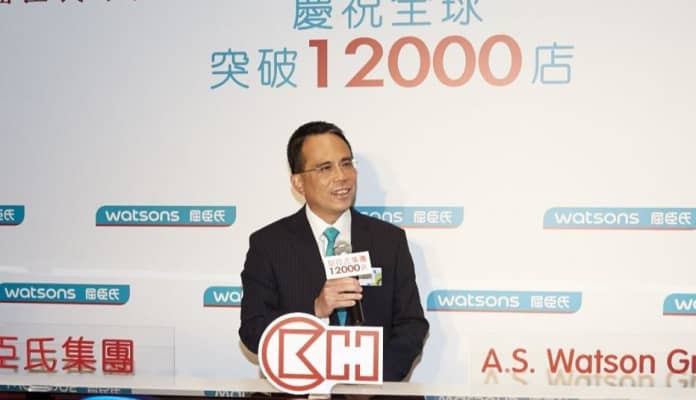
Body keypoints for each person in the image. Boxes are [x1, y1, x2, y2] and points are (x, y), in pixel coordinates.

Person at [239, 121, 429, 381]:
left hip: (372, 391)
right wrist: (314, 310)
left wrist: (372, 378)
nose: (341, 176)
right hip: (299, 389)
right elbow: (253, 330)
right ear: (298, 183)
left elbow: (411, 324)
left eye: (346, 163)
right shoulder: (269, 244)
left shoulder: (388, 240)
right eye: (325, 168)